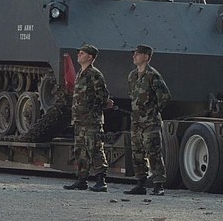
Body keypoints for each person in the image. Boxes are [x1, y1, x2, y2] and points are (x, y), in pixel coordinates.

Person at [124, 44, 172, 196]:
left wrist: (153, 111)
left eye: (137, 54)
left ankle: (158, 184)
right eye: (134, 54)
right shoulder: (132, 76)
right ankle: (141, 183)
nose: (134, 56)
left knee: (153, 151)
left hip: (150, 121)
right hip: (136, 121)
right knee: (137, 152)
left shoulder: (153, 75)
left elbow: (165, 96)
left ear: (146, 57)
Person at [63, 44, 112, 192]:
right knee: (80, 150)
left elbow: (103, 97)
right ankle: (82, 180)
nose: (79, 55)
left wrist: (93, 108)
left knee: (95, 148)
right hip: (79, 119)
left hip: (91, 120)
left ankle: (101, 181)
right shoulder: (80, 73)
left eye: (82, 53)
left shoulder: (94, 74)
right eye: (79, 52)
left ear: (90, 57)